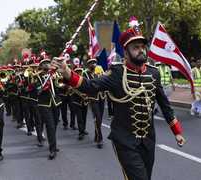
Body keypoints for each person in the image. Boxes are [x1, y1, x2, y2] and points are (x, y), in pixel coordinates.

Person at [51, 17, 186, 180]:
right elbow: (89, 86)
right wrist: (66, 72)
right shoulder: (117, 73)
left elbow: (165, 105)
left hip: (148, 140)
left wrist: (176, 131)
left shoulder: (153, 73)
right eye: (136, 47)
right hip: (124, 140)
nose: (141, 50)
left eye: (143, 46)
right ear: (126, 51)